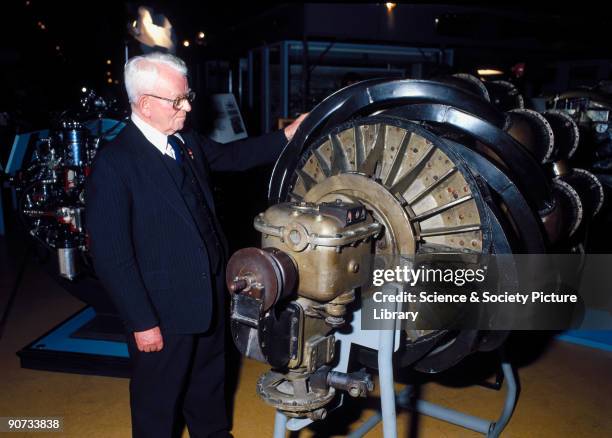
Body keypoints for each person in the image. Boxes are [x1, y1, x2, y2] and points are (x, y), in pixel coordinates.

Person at [85, 52, 306, 438]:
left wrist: (285, 136)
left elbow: (235, 156)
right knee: (158, 400)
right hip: (162, 311)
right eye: (177, 100)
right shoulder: (115, 164)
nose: (187, 106)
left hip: (209, 294)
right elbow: (112, 256)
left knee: (208, 385)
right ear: (145, 104)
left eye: (188, 96)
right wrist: (143, 322)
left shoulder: (185, 141)